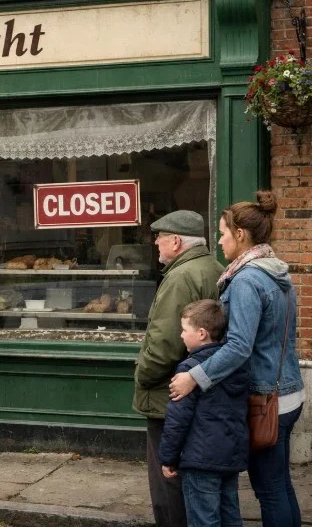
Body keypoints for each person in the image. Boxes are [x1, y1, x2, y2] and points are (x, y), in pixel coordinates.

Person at [170, 191, 305, 527]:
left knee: (270, 488)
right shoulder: (278, 274)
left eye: (223, 233)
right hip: (288, 390)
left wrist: (194, 376)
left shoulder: (246, 280)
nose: (219, 241)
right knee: (279, 484)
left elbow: (239, 347)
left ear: (241, 235)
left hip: (265, 396)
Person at [133, 210, 224, 527]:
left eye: (159, 236)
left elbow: (164, 343)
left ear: (176, 240)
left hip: (168, 396)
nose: (155, 242)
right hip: (201, 391)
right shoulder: (213, 267)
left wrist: (142, 376)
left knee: (168, 480)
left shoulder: (180, 277)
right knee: (196, 484)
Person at [159, 300, 249, 527]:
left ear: (201, 334)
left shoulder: (188, 371)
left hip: (200, 460)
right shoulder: (234, 366)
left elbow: (177, 420)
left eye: (184, 330)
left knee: (203, 520)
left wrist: (168, 457)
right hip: (230, 456)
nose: (180, 335)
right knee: (231, 516)